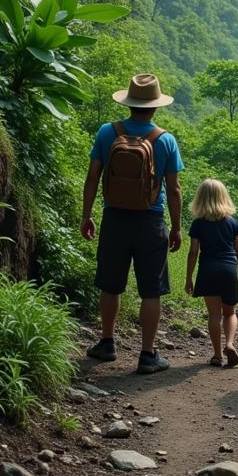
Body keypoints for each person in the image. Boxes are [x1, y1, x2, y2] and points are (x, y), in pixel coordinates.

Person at [80, 74, 184, 375]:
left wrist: (87, 215)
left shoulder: (106, 133)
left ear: (129, 102)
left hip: (114, 217)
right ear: (155, 106)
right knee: (151, 291)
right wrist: (176, 227)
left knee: (110, 284)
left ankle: (107, 343)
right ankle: (148, 355)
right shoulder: (165, 140)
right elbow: (174, 189)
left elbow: (92, 178)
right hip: (151, 220)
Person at [185, 178, 238, 368]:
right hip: (229, 270)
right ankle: (230, 344)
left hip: (208, 270)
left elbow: (193, 252)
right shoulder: (232, 222)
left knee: (214, 314)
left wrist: (189, 278)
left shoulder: (198, 224)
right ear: (223, 197)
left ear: (200, 199)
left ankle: (217, 355)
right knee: (230, 312)